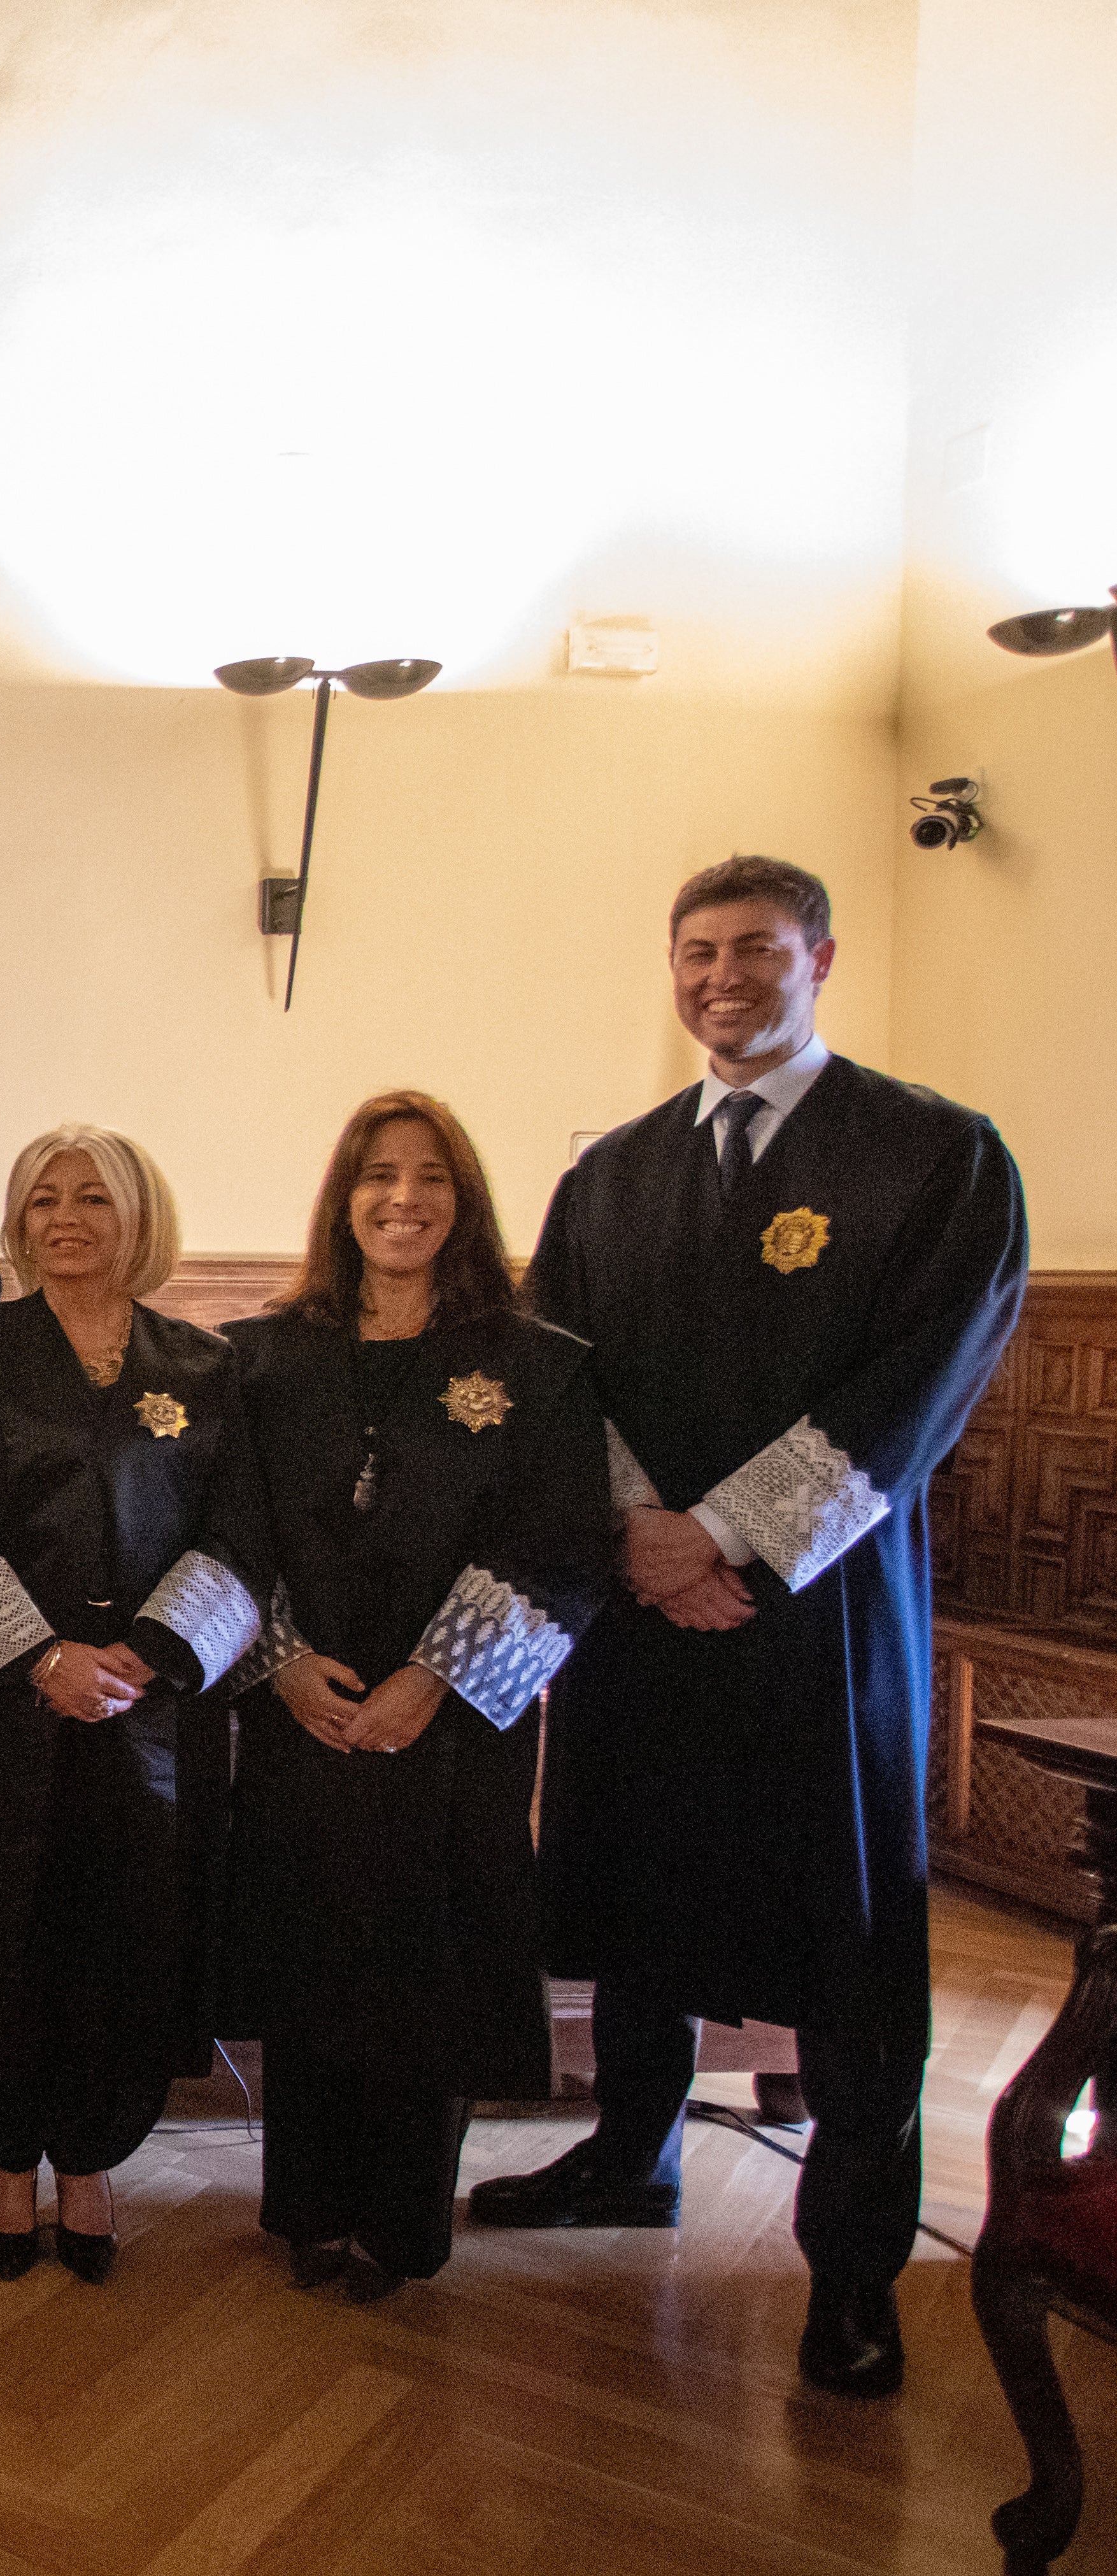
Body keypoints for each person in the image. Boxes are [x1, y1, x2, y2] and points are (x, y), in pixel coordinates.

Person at [478, 855, 1027, 2398]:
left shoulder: (935, 1157)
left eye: (759, 951)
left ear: (823, 958)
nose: (725, 978)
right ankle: (629, 2155)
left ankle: (853, 2265)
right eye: (699, 953)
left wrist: (726, 1542)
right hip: (644, 1616)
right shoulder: (616, 1174)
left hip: (823, 1617)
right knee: (637, 1893)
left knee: (846, 1944)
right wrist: (650, 1547)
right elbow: (561, 1375)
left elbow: (912, 1392)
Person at [226, 1092, 608, 2300]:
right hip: (302, 1708)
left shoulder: (537, 1368)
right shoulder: (259, 1356)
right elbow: (225, 1534)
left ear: (466, 1198)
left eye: (429, 1175)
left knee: (422, 1964)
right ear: (341, 1200)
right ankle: (306, 2208)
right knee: (312, 1951)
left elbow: (558, 1548)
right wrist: (277, 1659)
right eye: (376, 1175)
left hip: (448, 1728)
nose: (403, 1199)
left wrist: (431, 1678)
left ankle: (401, 2222)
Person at [0, 1124, 264, 2284]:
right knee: (0, 1934)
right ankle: (2, 2161)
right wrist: (43, 1658)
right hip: (2, 1708)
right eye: (41, 1199)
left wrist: (145, 1654)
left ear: (138, 1216)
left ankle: (92, 2161)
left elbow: (239, 1536)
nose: (64, 1219)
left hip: (149, 1711)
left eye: (92, 1197)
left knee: (124, 1937)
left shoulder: (202, 1366)